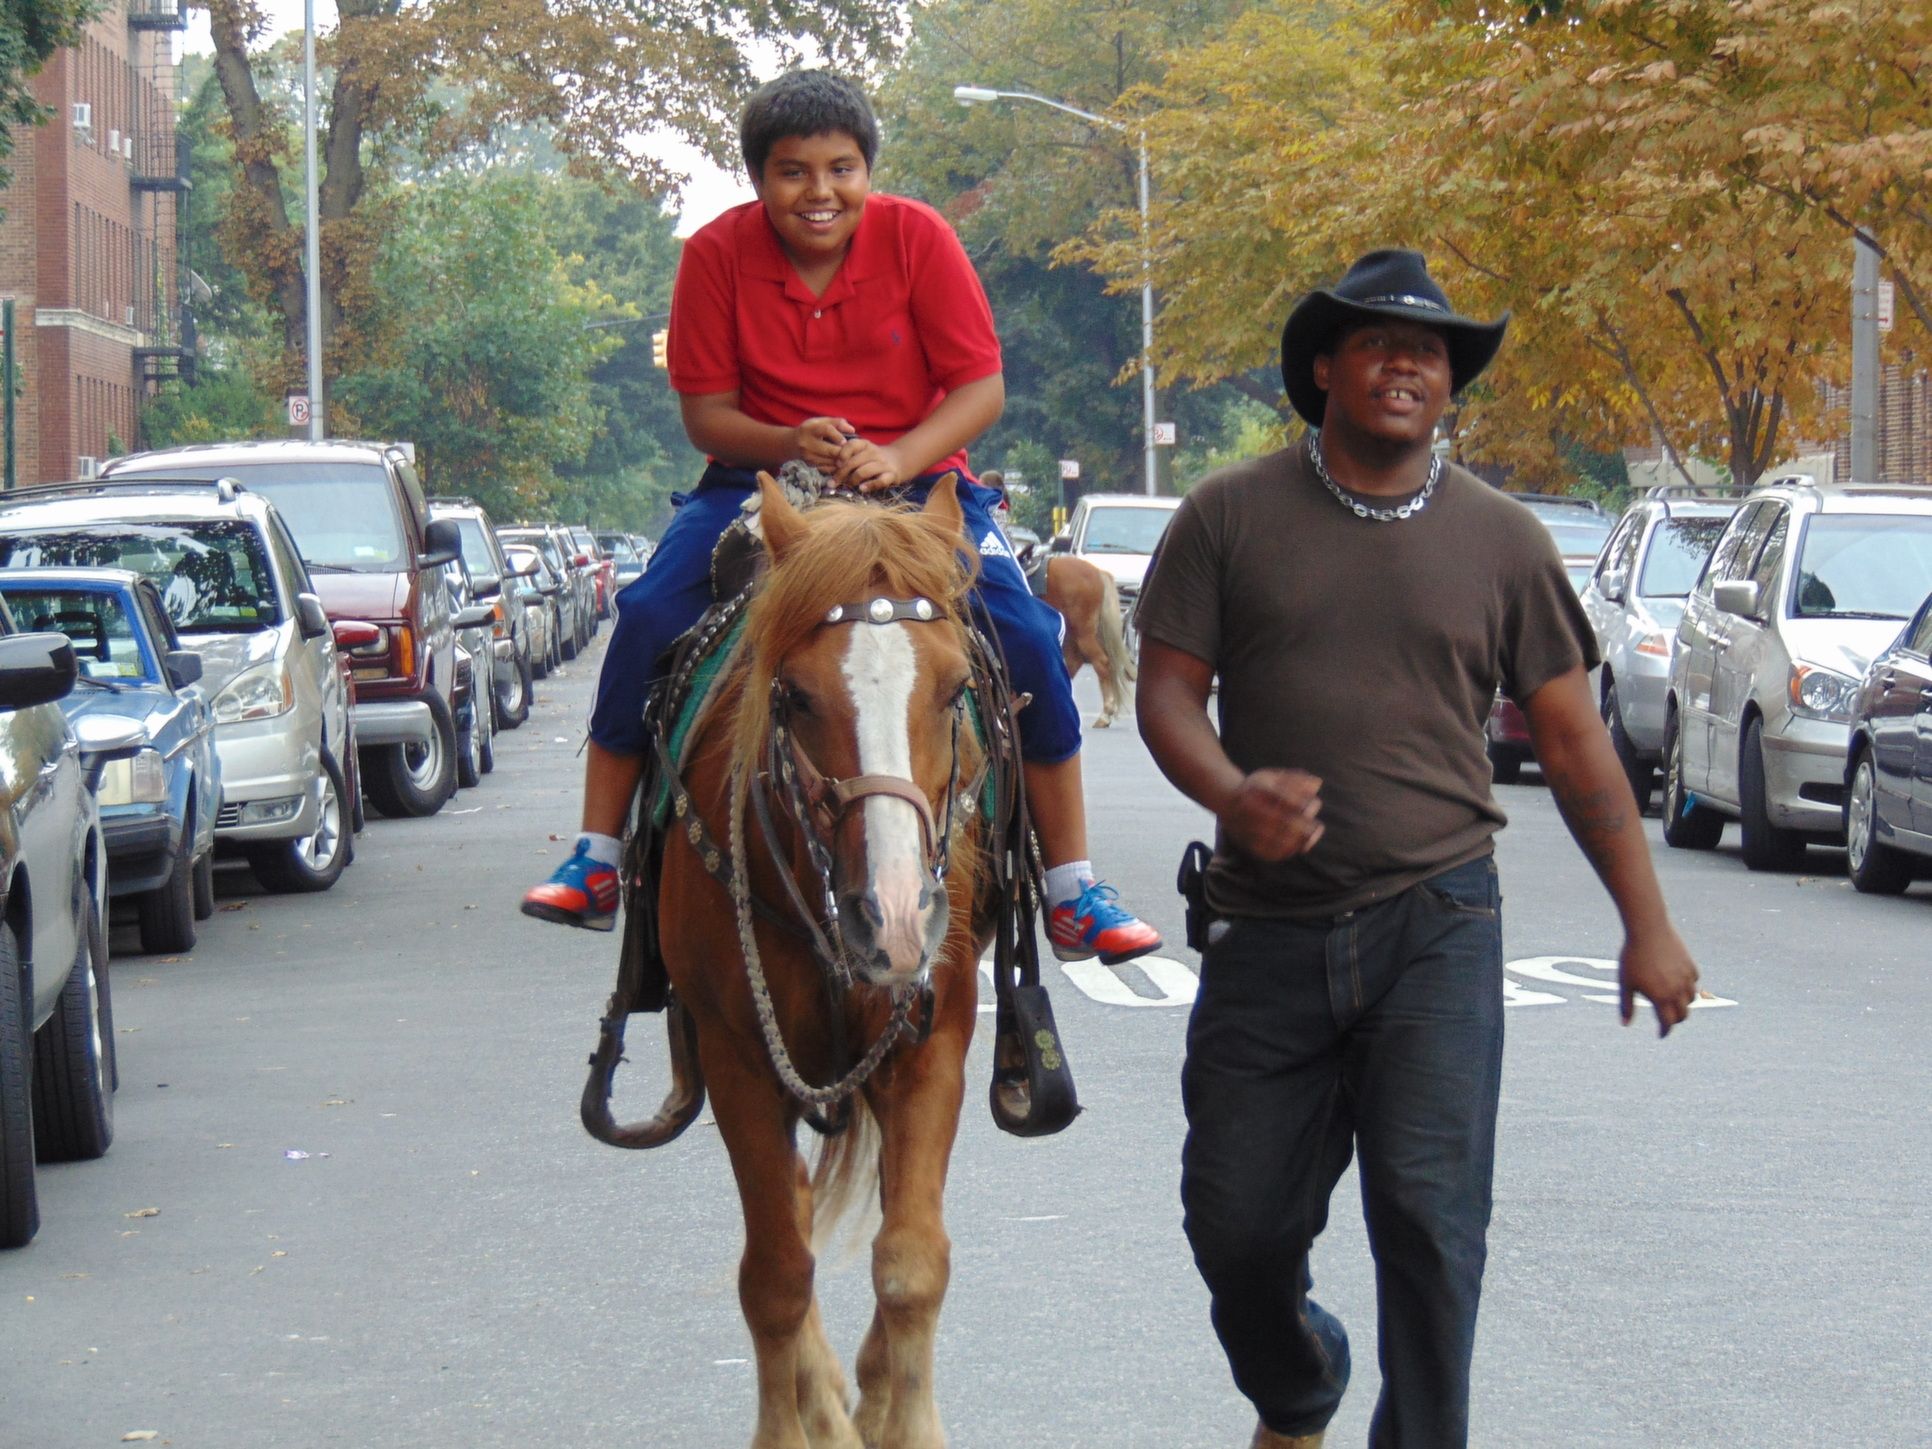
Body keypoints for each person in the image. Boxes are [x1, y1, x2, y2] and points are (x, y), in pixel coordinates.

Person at [1133, 249, 1700, 1449]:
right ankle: (1299, 1384)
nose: (1408, 364)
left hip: (1436, 925)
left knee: (1434, 1225)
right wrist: (1234, 793)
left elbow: (1578, 744)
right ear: (1325, 369)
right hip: (1266, 932)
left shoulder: (1501, 540)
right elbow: (1168, 698)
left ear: (1449, 389)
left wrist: (1647, 924)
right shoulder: (1226, 515)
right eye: (1380, 342)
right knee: (1237, 1230)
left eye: (1432, 352)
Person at [522, 70, 1160, 966]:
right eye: (792, 171)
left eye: (841, 168)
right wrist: (793, 439)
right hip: (758, 484)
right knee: (649, 611)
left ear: (868, 169)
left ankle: (1070, 884)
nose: (819, 192)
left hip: (914, 483)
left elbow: (981, 388)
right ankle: (598, 852)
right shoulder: (713, 255)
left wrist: (898, 456)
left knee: (1020, 627)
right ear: (758, 179)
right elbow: (706, 417)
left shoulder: (919, 239)